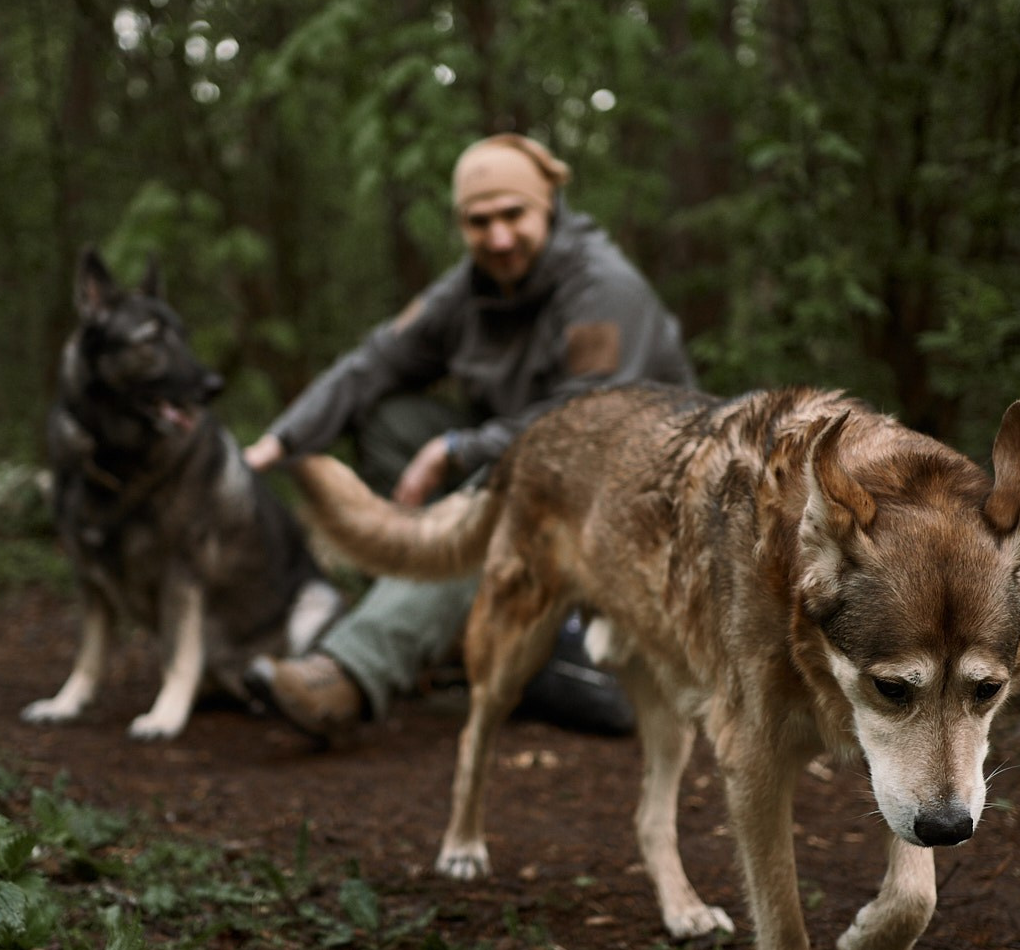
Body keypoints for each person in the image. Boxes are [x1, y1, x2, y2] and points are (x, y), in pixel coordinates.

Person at [243, 133, 694, 743]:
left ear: (548, 208)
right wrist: (279, 441)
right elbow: (374, 363)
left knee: (503, 486)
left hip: (632, 510)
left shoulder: (603, 287)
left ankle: (353, 669)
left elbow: (586, 422)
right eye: (479, 222)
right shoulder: (469, 289)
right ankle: (438, 624)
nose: (499, 237)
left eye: (514, 216)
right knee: (394, 421)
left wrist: (458, 450)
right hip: (526, 471)